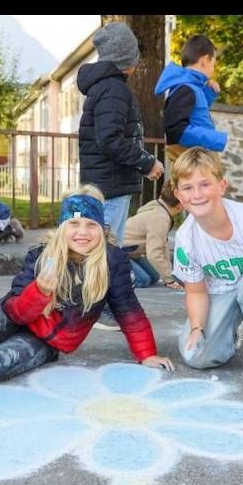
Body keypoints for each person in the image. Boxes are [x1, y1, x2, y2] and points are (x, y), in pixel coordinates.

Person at [0, 185, 173, 385]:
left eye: (90, 225)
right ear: (62, 228)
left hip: (46, 342)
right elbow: (16, 312)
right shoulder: (41, 256)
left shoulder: (112, 261)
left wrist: (147, 354)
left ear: (102, 229)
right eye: (73, 223)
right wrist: (40, 291)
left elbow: (130, 313)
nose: (82, 232)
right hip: (14, 315)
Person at [77, 21, 164, 330]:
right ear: (126, 58)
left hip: (107, 181)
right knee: (104, 249)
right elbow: (110, 138)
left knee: (103, 246)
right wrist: (146, 162)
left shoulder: (104, 87)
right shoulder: (113, 89)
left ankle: (98, 305)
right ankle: (97, 308)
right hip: (110, 184)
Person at [171, 147, 243, 383]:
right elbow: (196, 290)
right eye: (188, 188)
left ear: (221, 186)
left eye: (205, 184)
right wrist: (197, 328)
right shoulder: (186, 239)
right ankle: (228, 335)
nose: (197, 194)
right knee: (195, 355)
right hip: (221, 293)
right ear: (179, 196)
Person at [154, 34, 227, 162]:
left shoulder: (191, 87)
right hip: (190, 159)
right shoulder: (186, 88)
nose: (213, 68)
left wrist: (208, 92)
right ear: (205, 60)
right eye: (213, 63)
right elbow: (175, 129)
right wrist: (214, 138)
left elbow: (196, 115)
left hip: (193, 157)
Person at [122, 182, 184, 289]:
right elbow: (154, 254)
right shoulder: (160, 218)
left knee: (154, 277)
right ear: (181, 205)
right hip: (119, 252)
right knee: (143, 280)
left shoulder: (160, 208)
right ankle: (110, 278)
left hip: (132, 253)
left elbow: (162, 246)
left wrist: (169, 276)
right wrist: (169, 279)